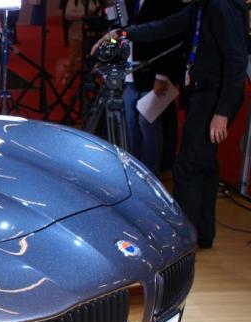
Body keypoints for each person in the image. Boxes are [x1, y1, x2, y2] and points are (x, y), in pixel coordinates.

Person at [93, 0, 248, 248]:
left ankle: (181, 240)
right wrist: (122, 34)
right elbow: (165, 27)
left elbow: (236, 60)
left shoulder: (220, 6)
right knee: (205, 164)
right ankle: (203, 234)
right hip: (203, 93)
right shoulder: (202, 6)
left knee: (188, 166)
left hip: (213, 97)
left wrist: (223, 112)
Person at [121, 0, 187, 175]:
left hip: (155, 73)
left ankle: (150, 174)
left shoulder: (166, 4)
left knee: (147, 123)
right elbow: (125, 29)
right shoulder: (130, 3)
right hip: (131, 73)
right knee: (130, 122)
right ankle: (132, 169)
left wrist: (162, 76)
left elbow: (168, 36)